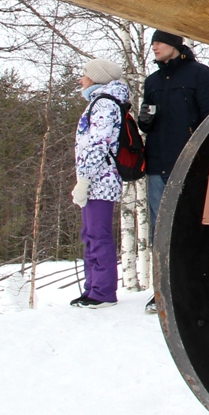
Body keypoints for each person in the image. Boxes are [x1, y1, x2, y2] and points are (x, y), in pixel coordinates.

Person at [139, 31, 209, 313]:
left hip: (189, 166)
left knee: (190, 229)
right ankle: (161, 292)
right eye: (152, 43)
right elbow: (146, 123)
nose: (155, 47)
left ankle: (193, 293)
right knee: (159, 231)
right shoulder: (152, 81)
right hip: (157, 165)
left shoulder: (200, 74)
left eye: (159, 42)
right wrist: (144, 119)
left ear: (175, 45)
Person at [71, 58, 131, 309]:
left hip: (101, 178)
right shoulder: (99, 101)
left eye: (84, 74)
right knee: (90, 233)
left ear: (96, 78)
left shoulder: (105, 104)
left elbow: (97, 144)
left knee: (98, 233)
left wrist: (84, 178)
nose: (81, 79)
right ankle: (93, 288)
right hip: (95, 178)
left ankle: (103, 291)